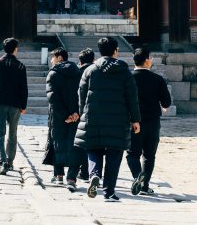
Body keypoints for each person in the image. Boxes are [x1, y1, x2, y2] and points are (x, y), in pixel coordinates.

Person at [74, 36, 141, 201]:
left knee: (93, 149)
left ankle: (94, 174)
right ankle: (109, 192)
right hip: (118, 120)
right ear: (116, 50)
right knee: (114, 154)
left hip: (93, 117)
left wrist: (82, 114)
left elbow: (81, 95)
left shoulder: (90, 70)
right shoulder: (124, 71)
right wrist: (135, 119)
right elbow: (132, 97)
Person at [126, 47, 171, 196]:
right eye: (150, 58)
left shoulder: (128, 78)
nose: (151, 60)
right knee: (149, 155)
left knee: (132, 154)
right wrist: (164, 107)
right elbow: (166, 102)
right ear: (146, 61)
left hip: (133, 122)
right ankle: (144, 186)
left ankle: (137, 176)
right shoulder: (157, 79)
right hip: (152, 122)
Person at [0, 37, 29, 175]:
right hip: (15, 104)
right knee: (12, 133)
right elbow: (24, 88)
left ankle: (2, 161)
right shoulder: (20, 66)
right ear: (15, 49)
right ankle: (10, 162)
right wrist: (23, 105)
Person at [45, 48, 82, 191]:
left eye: (53, 57)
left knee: (57, 142)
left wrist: (65, 115)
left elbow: (53, 97)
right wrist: (76, 113)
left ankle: (59, 175)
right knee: (75, 145)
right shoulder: (78, 72)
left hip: (58, 116)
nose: (51, 60)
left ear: (59, 57)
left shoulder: (53, 73)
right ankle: (72, 178)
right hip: (76, 116)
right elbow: (83, 94)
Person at [76, 47, 97, 181]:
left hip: (78, 111)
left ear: (80, 61)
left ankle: (82, 171)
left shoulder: (76, 72)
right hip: (94, 111)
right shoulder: (97, 72)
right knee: (92, 144)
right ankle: (91, 171)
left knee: (80, 143)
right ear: (93, 59)